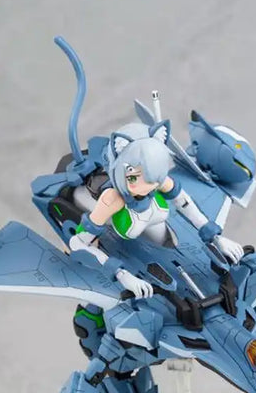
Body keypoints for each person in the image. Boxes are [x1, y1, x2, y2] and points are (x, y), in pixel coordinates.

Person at [68, 120, 244, 297]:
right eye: (135, 178)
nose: (146, 186)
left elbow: (184, 202)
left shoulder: (158, 182)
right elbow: (78, 242)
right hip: (115, 231)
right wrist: (121, 275)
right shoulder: (112, 200)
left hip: (153, 229)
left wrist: (216, 238)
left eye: (153, 177)